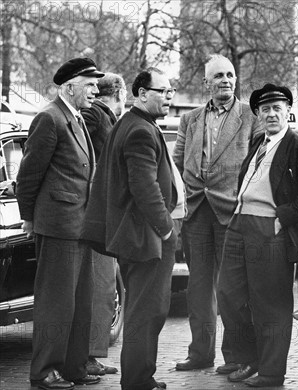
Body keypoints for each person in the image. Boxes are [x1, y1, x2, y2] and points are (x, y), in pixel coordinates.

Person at [81, 67, 184, 390]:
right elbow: (145, 187)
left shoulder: (130, 124)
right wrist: (167, 229)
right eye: (162, 91)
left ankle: (140, 377)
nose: (169, 97)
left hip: (137, 237)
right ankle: (139, 381)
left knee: (144, 311)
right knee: (147, 312)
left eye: (171, 91)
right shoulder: (140, 130)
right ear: (141, 94)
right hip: (145, 238)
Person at [217, 83, 298, 387]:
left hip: (269, 229)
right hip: (239, 225)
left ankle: (271, 372)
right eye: (265, 109)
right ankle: (250, 360)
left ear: (288, 110)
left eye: (277, 108)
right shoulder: (258, 144)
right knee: (228, 295)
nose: (272, 114)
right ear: (259, 115)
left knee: (270, 304)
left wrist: (280, 220)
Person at [16, 57, 105, 390]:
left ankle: (73, 367)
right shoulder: (50, 118)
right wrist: (29, 217)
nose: (96, 90)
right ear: (70, 86)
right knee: (56, 305)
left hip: (79, 227)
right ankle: (44, 372)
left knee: (80, 303)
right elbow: (29, 174)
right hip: (57, 227)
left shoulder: (76, 118)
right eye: (91, 84)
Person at [172, 54, 262, 374]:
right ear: (206, 83)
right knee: (198, 289)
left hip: (232, 211)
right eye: (219, 76)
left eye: (230, 75)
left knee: (233, 290)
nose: (226, 80)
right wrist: (188, 195)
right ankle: (200, 353)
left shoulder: (250, 117)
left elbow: (260, 163)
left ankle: (235, 355)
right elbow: (180, 160)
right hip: (197, 210)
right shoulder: (191, 119)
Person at [80, 72, 126, 376]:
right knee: (99, 286)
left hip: (101, 213)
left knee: (103, 286)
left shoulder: (104, 116)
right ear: (120, 93)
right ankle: (86, 356)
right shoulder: (95, 114)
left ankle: (91, 356)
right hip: (93, 212)